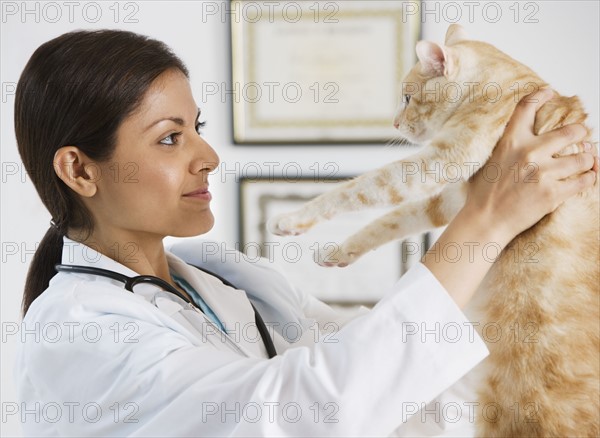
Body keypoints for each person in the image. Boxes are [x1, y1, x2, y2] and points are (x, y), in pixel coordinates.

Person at [12, 29, 597, 437]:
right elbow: (304, 409)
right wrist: (487, 220)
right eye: (170, 138)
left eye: (198, 128)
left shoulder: (225, 277)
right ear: (80, 170)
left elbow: (398, 377)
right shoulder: (75, 333)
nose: (208, 156)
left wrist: (554, 274)